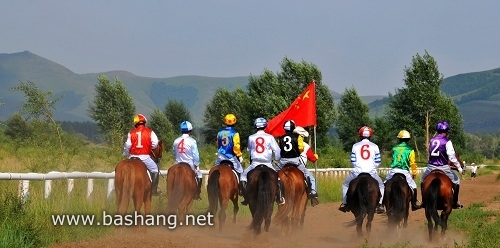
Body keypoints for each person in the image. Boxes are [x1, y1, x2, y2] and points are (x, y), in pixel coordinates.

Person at [338, 126, 385, 214]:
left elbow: (353, 160)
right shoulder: (375, 146)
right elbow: (378, 161)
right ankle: (379, 205)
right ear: (370, 136)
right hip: (371, 172)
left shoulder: (355, 145)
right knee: (381, 186)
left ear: (360, 135)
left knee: (345, 185)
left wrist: (358, 167)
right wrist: (373, 167)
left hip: (357, 172)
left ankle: (345, 204)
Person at [420, 121, 463, 209]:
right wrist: (458, 166)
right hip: (443, 167)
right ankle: (455, 202)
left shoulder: (432, 140)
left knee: (422, 180)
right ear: (447, 131)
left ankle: (424, 201)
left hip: (431, 166)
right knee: (457, 181)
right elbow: (451, 156)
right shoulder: (447, 141)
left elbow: (430, 152)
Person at [239, 117, 281, 205]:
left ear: (255, 126)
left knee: (243, 176)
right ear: (265, 126)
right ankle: (280, 197)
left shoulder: (251, 137)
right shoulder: (270, 137)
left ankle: (246, 197)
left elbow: (249, 150)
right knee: (278, 178)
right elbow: (277, 151)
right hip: (267, 163)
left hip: (255, 163)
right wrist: (276, 160)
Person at [122, 114, 161, 195]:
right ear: (144, 122)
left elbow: (128, 145)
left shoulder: (131, 132)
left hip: (132, 156)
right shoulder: (150, 132)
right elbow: (155, 143)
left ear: (136, 123)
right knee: (155, 170)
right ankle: (154, 191)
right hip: (145, 157)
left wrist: (125, 153)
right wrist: (149, 147)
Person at [384, 130, 421, 211]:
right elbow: (413, 164)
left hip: (393, 171)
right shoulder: (410, 150)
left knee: (384, 185)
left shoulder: (394, 148)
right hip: (404, 171)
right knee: (414, 186)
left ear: (399, 139)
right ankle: (414, 204)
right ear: (408, 139)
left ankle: (382, 203)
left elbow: (393, 159)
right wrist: (414, 173)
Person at [172, 121, 203, 200]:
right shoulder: (192, 141)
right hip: (189, 163)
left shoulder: (176, 140)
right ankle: (197, 194)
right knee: (199, 174)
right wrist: (196, 164)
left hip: (177, 162)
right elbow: (195, 155)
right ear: (190, 130)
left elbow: (174, 153)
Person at [276, 120, 304, 205]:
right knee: (309, 176)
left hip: (283, 161)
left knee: (274, 176)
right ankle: (312, 193)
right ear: (293, 128)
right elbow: (301, 148)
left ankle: (278, 195)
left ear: (284, 129)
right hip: (295, 160)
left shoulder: (280, 138)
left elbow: (279, 149)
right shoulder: (298, 137)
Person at [293, 126, 320, 207]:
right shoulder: (305, 145)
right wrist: (316, 156)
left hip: (286, 165)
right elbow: (313, 159)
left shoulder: (290, 143)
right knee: (311, 179)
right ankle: (313, 194)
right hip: (299, 167)